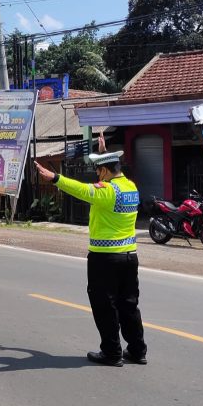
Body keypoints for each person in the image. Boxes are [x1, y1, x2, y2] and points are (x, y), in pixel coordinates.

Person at [34, 148, 148, 367]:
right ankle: (137, 350)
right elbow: (102, 178)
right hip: (129, 257)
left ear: (105, 170)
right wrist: (103, 153)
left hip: (105, 259)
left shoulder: (107, 191)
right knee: (129, 305)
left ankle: (112, 352)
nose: (97, 175)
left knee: (105, 306)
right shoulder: (130, 187)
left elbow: (81, 190)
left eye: (98, 171)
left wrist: (55, 178)